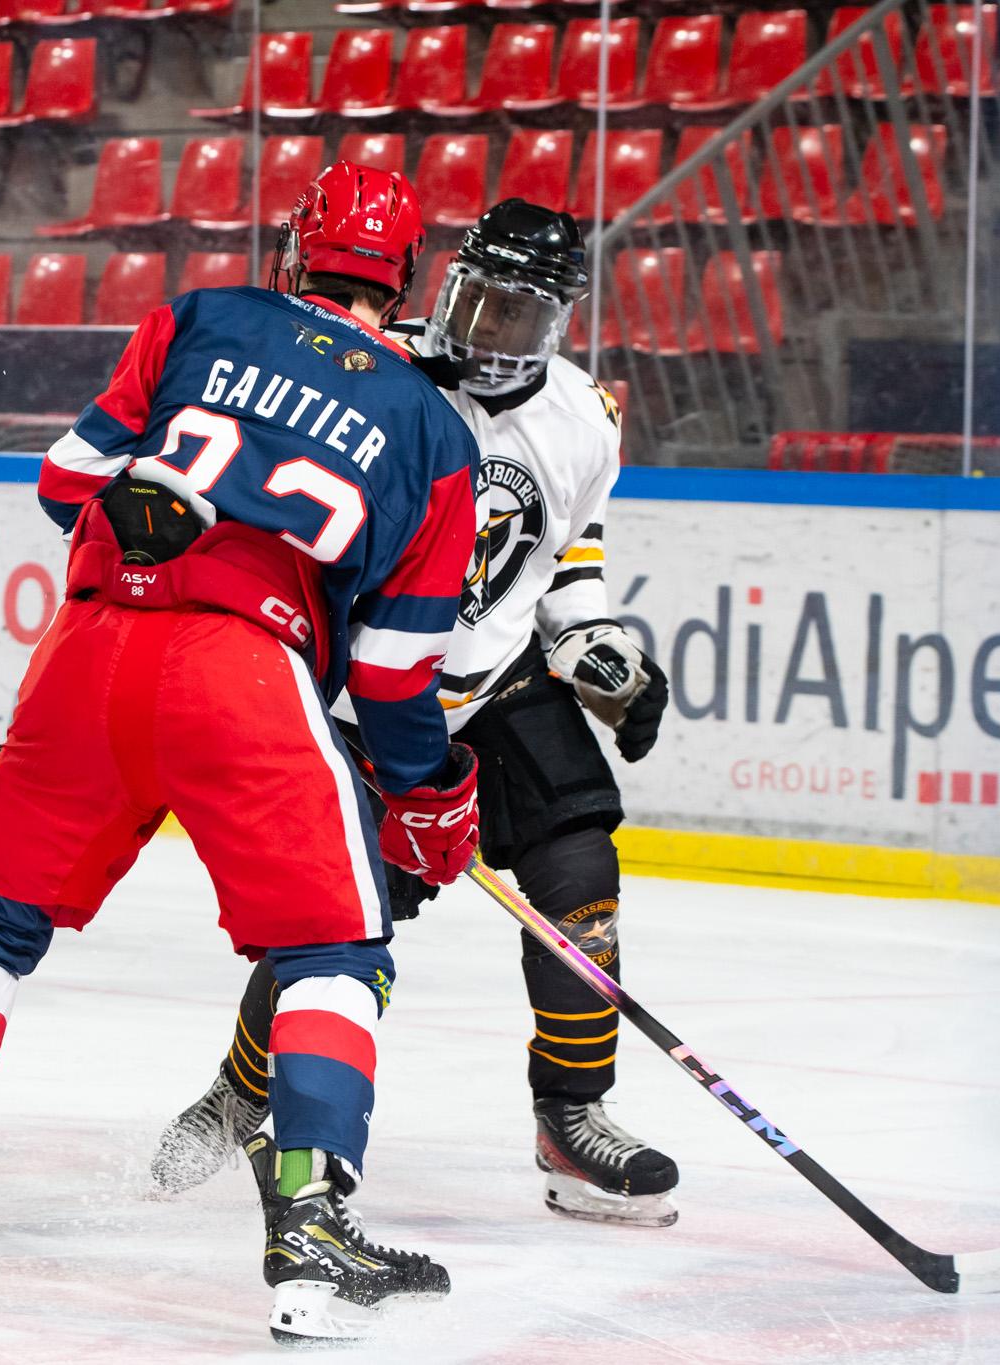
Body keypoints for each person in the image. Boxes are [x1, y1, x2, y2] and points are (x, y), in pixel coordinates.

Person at [0, 162, 485, 1344]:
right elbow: (394, 674)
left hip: (85, 652)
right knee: (330, 956)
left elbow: (66, 485)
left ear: (291, 249)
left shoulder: (199, 317)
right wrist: (428, 793)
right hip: (249, 682)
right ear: (405, 278)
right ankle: (307, 1238)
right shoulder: (429, 427)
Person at [151, 200, 679, 1227]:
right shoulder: (367, 379)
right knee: (340, 921)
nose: (485, 337)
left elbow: (563, 560)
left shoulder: (582, 419)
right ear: (442, 286)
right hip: (371, 696)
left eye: (515, 318)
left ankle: (570, 1116)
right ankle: (243, 1088)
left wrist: (592, 641)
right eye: (473, 304)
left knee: (581, 878)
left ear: (560, 322)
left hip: (499, 680)